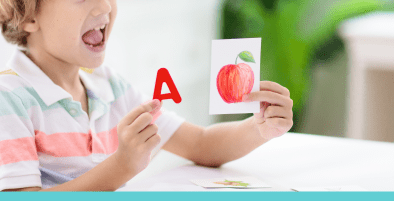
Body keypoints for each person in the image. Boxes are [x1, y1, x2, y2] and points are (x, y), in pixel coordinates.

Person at [0, 0, 293, 191]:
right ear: (28, 17)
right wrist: (122, 165)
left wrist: (259, 127)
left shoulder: (111, 88)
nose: (104, 7)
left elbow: (202, 145)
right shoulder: (9, 99)